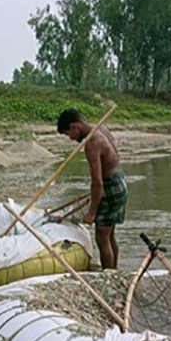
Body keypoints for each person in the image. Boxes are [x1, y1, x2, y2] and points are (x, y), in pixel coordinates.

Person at [57, 107, 129, 270]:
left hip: (110, 188)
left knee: (101, 237)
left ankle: (108, 275)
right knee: (109, 235)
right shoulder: (101, 129)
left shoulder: (92, 143)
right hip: (119, 183)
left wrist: (92, 212)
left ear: (75, 126)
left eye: (69, 134)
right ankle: (114, 271)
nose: (70, 138)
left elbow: (97, 182)